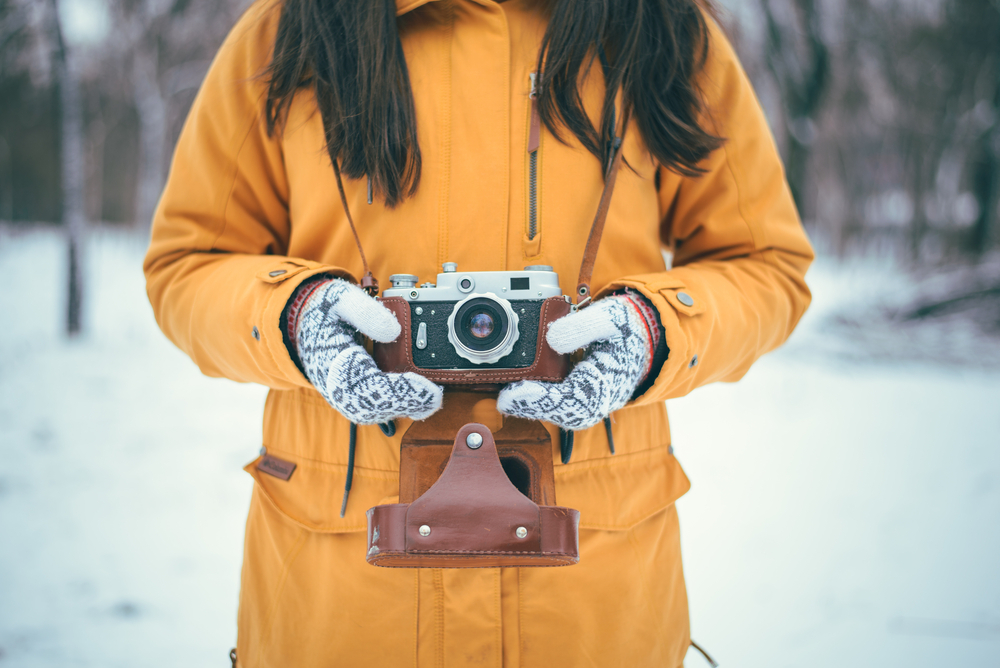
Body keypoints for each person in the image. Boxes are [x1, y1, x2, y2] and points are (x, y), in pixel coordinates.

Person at [143, 0, 813, 665]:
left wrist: (655, 331)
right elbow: (188, 265)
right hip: (339, 601)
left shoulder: (659, 23)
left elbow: (765, 265)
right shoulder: (287, 29)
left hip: (596, 604)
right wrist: (294, 319)